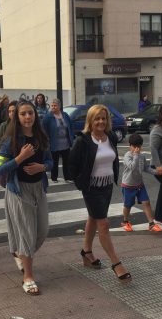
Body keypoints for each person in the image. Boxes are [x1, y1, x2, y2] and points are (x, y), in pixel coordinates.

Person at [69, 104, 132, 284]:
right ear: (90, 120)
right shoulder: (83, 140)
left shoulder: (110, 136)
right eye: (97, 118)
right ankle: (116, 263)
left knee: (93, 218)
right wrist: (81, 182)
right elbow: (71, 165)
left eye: (104, 118)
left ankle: (87, 252)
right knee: (103, 224)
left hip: (106, 186)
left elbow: (111, 160)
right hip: (92, 187)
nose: (101, 121)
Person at [0, 101, 53, 295]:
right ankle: (28, 276)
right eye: (23, 114)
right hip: (19, 191)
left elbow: (50, 161)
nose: (28, 117)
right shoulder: (9, 140)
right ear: (17, 117)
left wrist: (42, 167)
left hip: (39, 188)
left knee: (42, 230)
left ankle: (20, 252)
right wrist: (20, 157)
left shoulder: (40, 136)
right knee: (27, 233)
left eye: (30, 113)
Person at [120, 134, 162, 232]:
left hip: (139, 184)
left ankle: (151, 223)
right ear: (130, 146)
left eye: (138, 146)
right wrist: (135, 155)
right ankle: (125, 221)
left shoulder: (142, 156)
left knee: (146, 202)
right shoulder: (127, 156)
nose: (137, 149)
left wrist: (156, 172)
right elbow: (132, 167)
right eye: (134, 146)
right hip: (128, 185)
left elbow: (145, 168)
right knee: (128, 205)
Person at [42, 98, 74, 183]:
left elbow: (70, 127)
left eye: (55, 105)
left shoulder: (65, 115)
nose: (53, 107)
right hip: (54, 143)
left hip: (66, 142)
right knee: (54, 161)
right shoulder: (48, 117)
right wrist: (46, 141)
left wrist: (72, 138)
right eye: (52, 106)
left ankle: (67, 177)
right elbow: (44, 130)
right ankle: (54, 177)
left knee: (67, 161)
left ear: (59, 106)